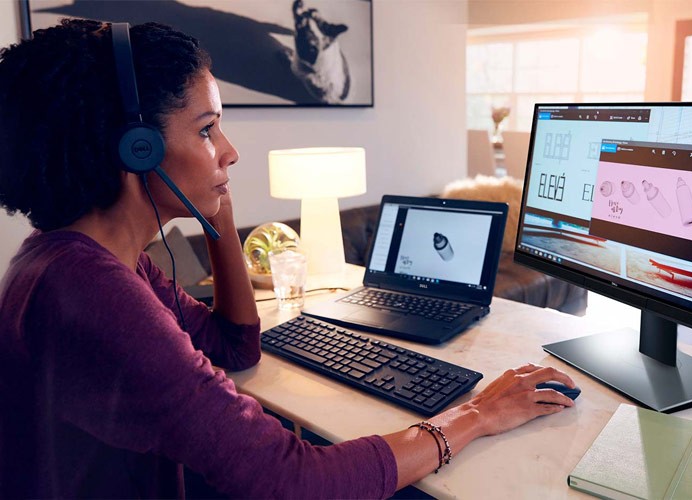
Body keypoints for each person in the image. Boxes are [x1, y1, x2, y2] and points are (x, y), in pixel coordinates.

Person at [0, 19, 577, 498]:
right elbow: (291, 479)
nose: (230, 150)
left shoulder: (89, 263)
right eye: (207, 130)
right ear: (137, 148)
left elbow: (232, 346)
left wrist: (217, 210)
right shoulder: (93, 292)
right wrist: (473, 416)